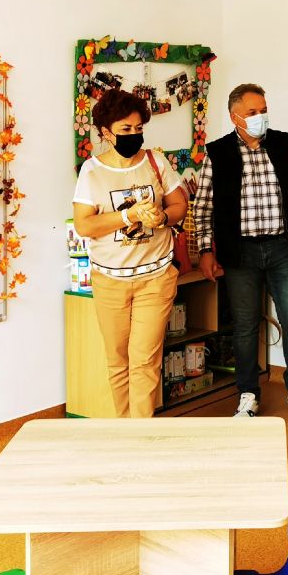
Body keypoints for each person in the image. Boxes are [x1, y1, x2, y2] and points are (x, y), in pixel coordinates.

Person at [193, 83, 288, 421]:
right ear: (234, 117)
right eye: (252, 112)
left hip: (283, 247)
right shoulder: (218, 152)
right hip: (240, 253)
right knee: (245, 326)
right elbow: (203, 207)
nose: (260, 117)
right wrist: (205, 250)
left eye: (263, 110)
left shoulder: (284, 143)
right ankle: (248, 394)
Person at [72, 88, 188, 417]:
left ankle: (141, 434)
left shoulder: (155, 161)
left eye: (139, 128)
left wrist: (161, 217)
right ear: (106, 132)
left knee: (145, 360)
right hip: (110, 281)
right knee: (118, 361)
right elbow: (84, 224)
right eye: (125, 129)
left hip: (155, 277)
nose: (134, 135)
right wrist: (129, 216)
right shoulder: (91, 171)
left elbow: (179, 205)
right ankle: (125, 431)